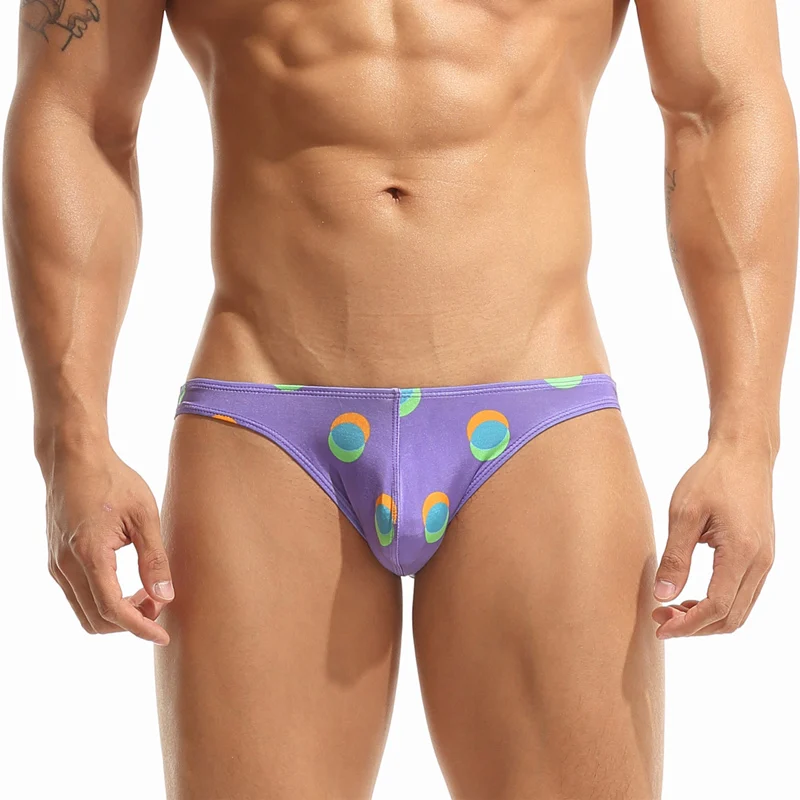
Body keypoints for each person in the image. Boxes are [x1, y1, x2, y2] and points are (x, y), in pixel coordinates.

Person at [4, 1, 797, 797]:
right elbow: (78, 113)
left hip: (538, 414)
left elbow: (720, 106)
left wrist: (746, 438)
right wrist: (72, 442)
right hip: (268, 418)